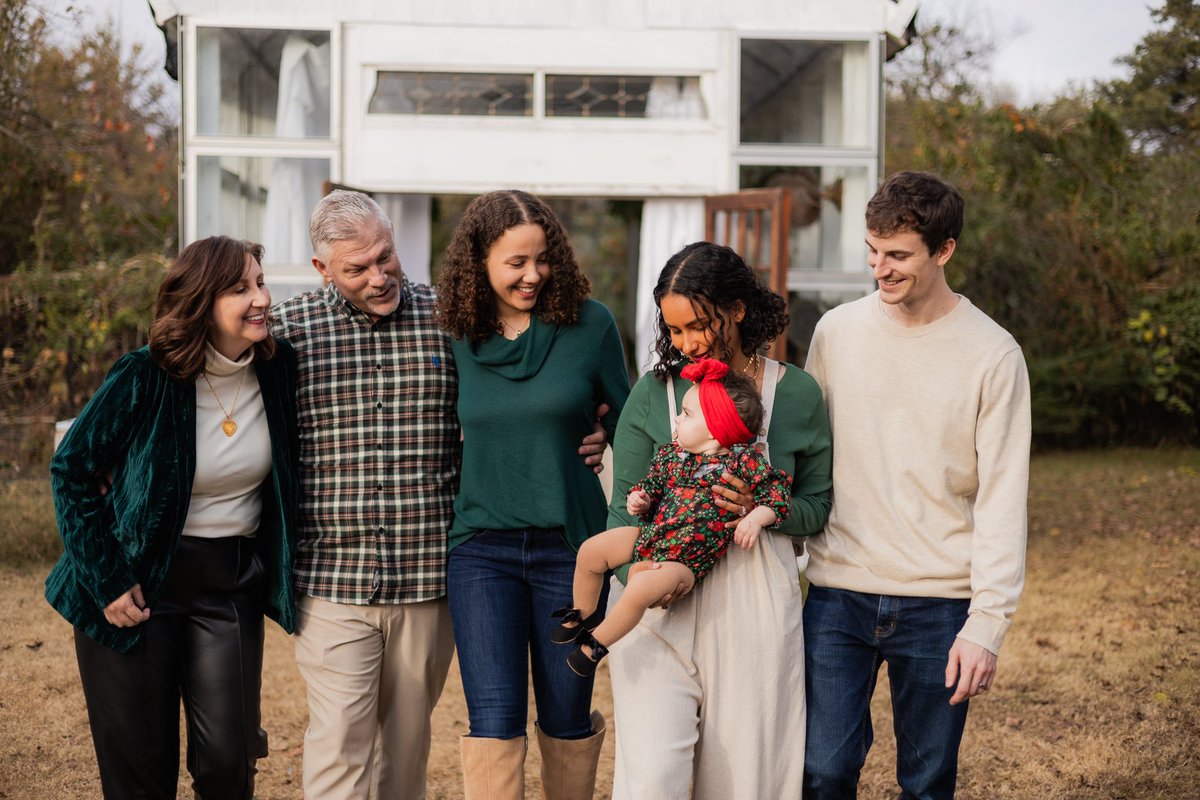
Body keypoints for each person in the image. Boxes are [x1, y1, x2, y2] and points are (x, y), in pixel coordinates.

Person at [271, 189, 610, 800]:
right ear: (322, 270)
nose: (379, 277)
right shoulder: (288, 333)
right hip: (341, 575)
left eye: (386, 257)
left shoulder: (447, 320)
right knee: (342, 738)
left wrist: (597, 428)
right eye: (357, 268)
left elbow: (600, 402)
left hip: (430, 575)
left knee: (408, 748)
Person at [802, 171, 1031, 800]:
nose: (880, 268)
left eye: (898, 255)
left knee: (927, 783)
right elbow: (798, 450)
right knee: (821, 772)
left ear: (945, 250)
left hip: (941, 604)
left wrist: (986, 623)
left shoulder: (993, 354)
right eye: (873, 251)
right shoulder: (836, 332)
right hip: (837, 594)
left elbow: (1004, 496)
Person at [46, 236, 300, 800]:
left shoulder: (279, 371)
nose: (260, 298)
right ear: (201, 302)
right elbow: (72, 471)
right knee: (142, 773)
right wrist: (108, 580)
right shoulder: (145, 374)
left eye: (260, 283)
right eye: (240, 289)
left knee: (228, 766)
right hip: (134, 588)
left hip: (229, 586)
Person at [605, 241, 833, 799]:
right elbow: (620, 508)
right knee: (652, 779)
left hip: (753, 609)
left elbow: (817, 508)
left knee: (745, 782)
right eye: (674, 330)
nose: (686, 343)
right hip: (657, 607)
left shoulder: (795, 394)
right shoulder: (654, 395)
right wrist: (639, 577)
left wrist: (762, 514)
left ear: (736, 308)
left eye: (698, 326)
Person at [435, 189, 630, 800]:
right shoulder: (455, 333)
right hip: (481, 553)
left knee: (566, 719)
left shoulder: (590, 323)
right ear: (480, 262)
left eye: (542, 259)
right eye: (515, 262)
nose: (532, 275)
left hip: (572, 555)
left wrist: (603, 435)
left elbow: (631, 418)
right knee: (492, 723)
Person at [554, 357, 791, 677]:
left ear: (716, 428)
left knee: (639, 590)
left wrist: (755, 518)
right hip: (652, 534)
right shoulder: (671, 455)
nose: (677, 419)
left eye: (687, 414)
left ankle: (594, 646)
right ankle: (582, 613)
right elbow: (649, 487)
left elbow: (776, 495)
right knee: (592, 551)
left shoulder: (742, 461)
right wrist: (641, 499)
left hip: (684, 562)